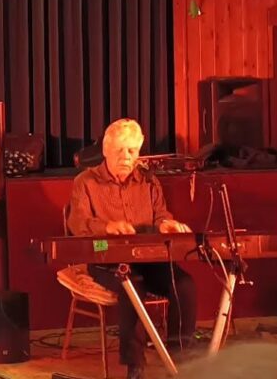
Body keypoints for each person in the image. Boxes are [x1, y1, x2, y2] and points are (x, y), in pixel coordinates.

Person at [66, 118, 198, 379]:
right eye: (120, 150)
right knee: (132, 285)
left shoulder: (149, 181)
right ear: (105, 151)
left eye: (132, 151)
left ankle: (181, 355)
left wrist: (167, 224)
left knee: (184, 284)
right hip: (104, 257)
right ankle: (135, 365)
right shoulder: (86, 182)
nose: (126, 157)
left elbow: (161, 216)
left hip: (149, 258)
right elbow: (77, 223)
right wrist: (106, 227)